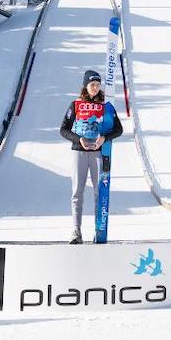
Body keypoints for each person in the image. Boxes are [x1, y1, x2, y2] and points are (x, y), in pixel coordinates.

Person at [59, 70, 123, 244]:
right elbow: (63, 129)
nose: (95, 88)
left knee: (98, 192)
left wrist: (105, 138)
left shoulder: (105, 106)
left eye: (97, 85)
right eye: (92, 85)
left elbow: (118, 129)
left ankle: (99, 230)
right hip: (79, 152)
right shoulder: (76, 105)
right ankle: (76, 231)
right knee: (77, 192)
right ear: (85, 86)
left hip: (97, 153)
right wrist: (78, 139)